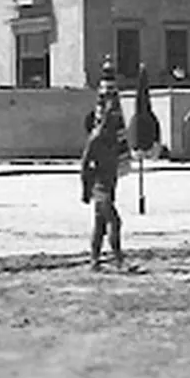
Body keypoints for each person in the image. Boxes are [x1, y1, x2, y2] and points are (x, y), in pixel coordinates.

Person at [81, 107, 129, 271]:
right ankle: (118, 259)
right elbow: (85, 165)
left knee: (100, 224)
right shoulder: (96, 139)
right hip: (100, 187)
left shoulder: (113, 139)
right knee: (114, 221)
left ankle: (94, 260)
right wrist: (86, 189)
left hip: (109, 184)